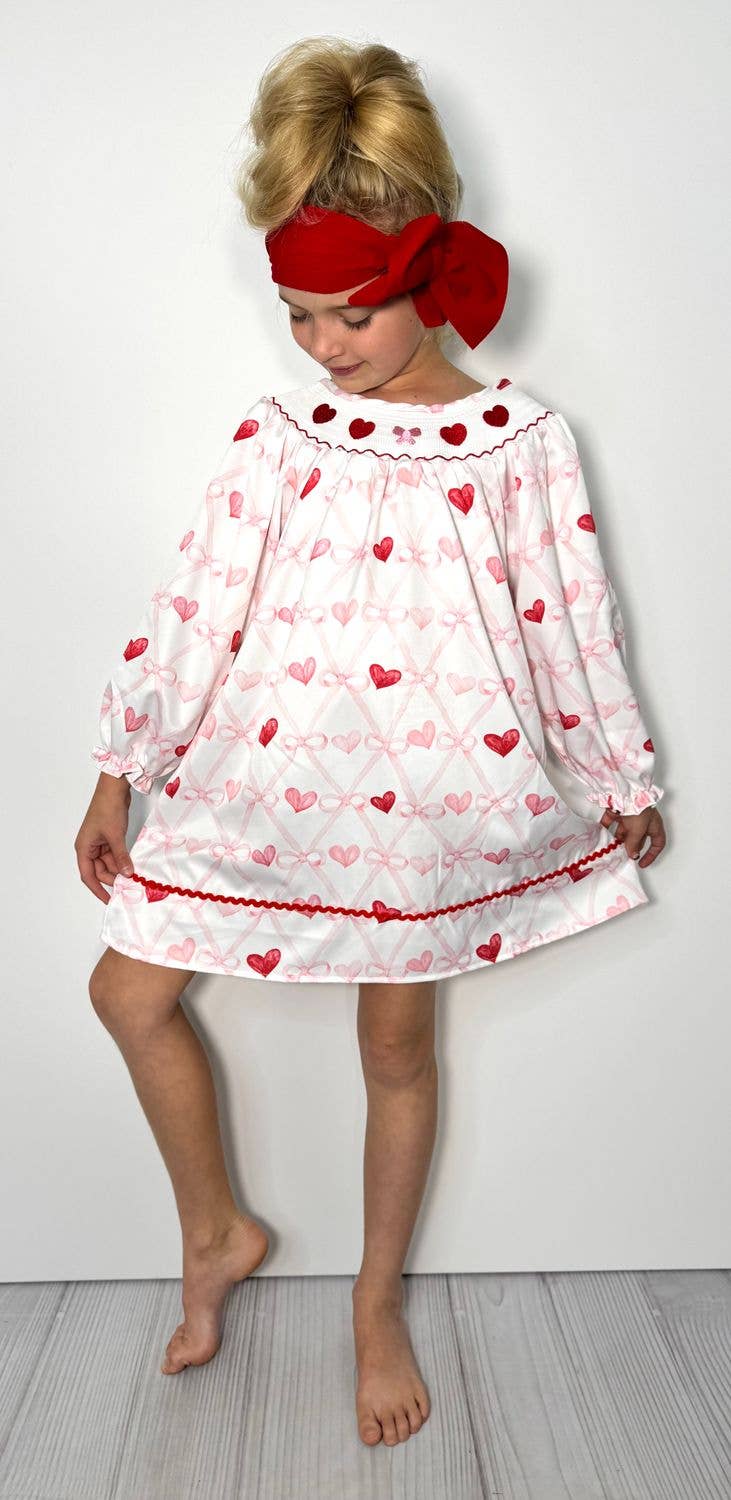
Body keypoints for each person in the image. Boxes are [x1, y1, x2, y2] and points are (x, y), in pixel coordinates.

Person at [75, 37, 667, 1447]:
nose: (322, 346)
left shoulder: (521, 440)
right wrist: (118, 771)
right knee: (127, 993)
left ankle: (375, 1299)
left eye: (348, 314)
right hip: (261, 788)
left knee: (397, 1050)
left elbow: (571, 619)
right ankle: (216, 1230)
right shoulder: (280, 435)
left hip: (432, 808)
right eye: (296, 315)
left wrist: (619, 774)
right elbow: (199, 602)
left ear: (425, 276)